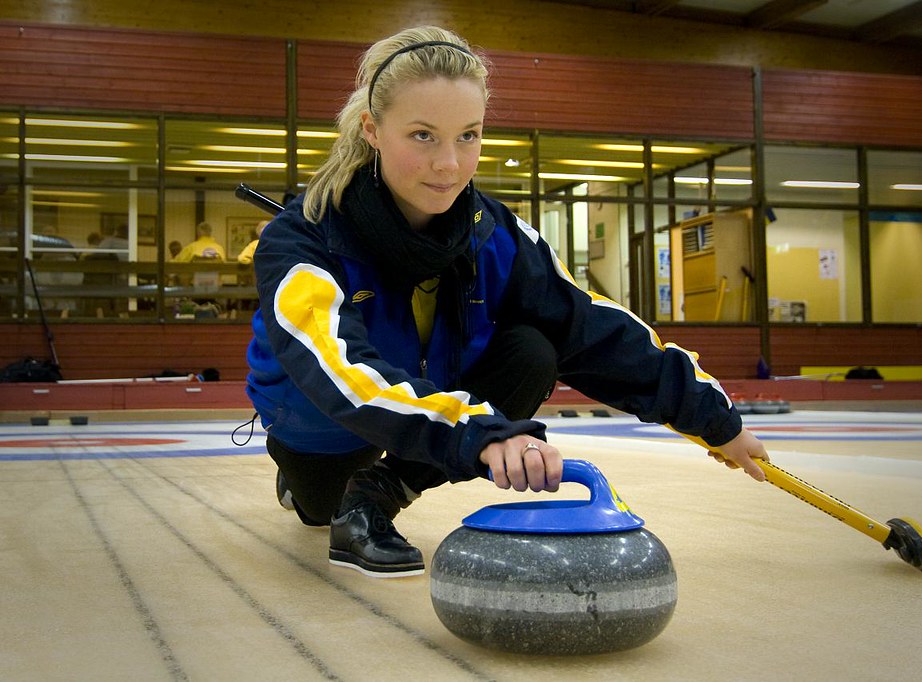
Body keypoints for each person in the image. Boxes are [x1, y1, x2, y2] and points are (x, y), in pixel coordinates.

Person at [246, 25, 770, 579]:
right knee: (318, 510)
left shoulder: (494, 233)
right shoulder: (301, 238)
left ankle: (379, 490)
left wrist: (713, 417)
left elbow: (587, 324)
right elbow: (337, 368)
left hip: (430, 401)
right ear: (373, 130)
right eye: (422, 135)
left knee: (533, 349)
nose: (449, 164)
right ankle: (304, 481)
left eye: (468, 136)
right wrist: (475, 432)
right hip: (324, 413)